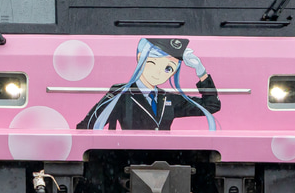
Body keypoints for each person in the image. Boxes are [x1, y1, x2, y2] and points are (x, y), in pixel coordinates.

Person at [77, 37, 219, 131]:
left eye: (168, 68)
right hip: (128, 157)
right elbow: (86, 127)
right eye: (152, 63)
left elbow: (211, 106)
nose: (159, 73)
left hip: (166, 159)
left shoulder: (168, 98)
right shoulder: (121, 93)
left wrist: (201, 71)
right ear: (140, 59)